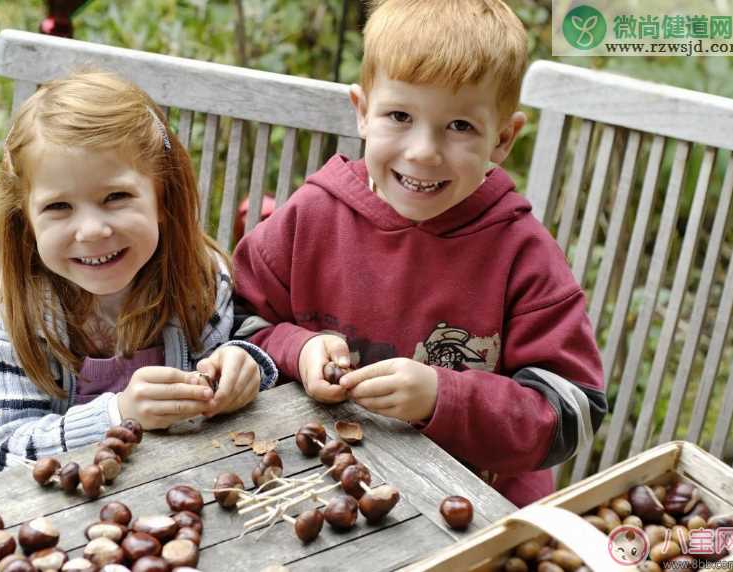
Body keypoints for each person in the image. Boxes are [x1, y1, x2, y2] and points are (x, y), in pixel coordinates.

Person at [232, 0, 606, 507]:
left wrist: (443, 396)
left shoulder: (522, 254)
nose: (424, 151)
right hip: (318, 489)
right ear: (363, 112)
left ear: (502, 138)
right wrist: (297, 348)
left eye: (460, 127)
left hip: (473, 509)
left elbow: (572, 412)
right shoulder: (312, 217)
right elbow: (238, 323)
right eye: (400, 116)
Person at [0, 72, 276, 491]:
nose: (92, 230)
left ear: (162, 199)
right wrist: (116, 413)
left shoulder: (197, 279)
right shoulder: (6, 305)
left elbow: (234, 350)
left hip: (137, 496)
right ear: (26, 221)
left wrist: (245, 365)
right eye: (59, 207)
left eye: (116, 197)